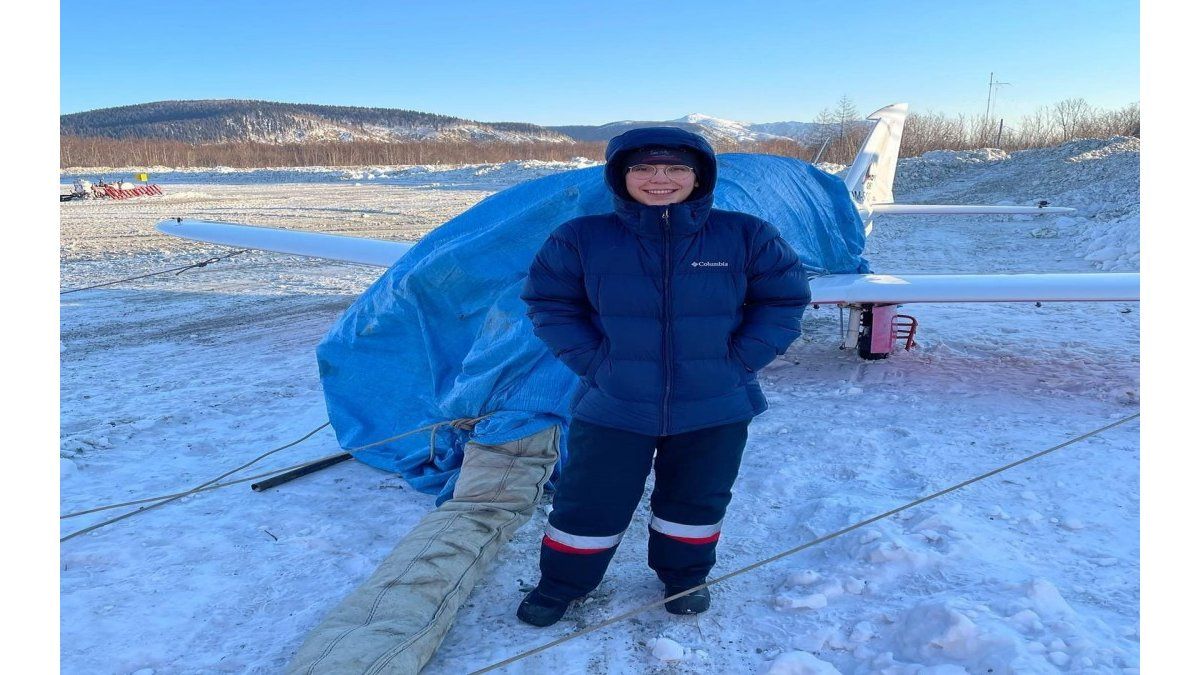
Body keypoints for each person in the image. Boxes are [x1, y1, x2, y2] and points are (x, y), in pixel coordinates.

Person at [517, 127, 811, 627]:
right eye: (644, 168)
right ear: (620, 176)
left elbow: (782, 300)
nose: (660, 179)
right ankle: (562, 584)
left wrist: (739, 361)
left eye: (676, 167)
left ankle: (685, 577)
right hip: (614, 400)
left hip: (715, 402)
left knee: (697, 498)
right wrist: (596, 364)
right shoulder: (581, 238)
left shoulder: (745, 234)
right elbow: (549, 303)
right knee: (590, 499)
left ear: (699, 176)